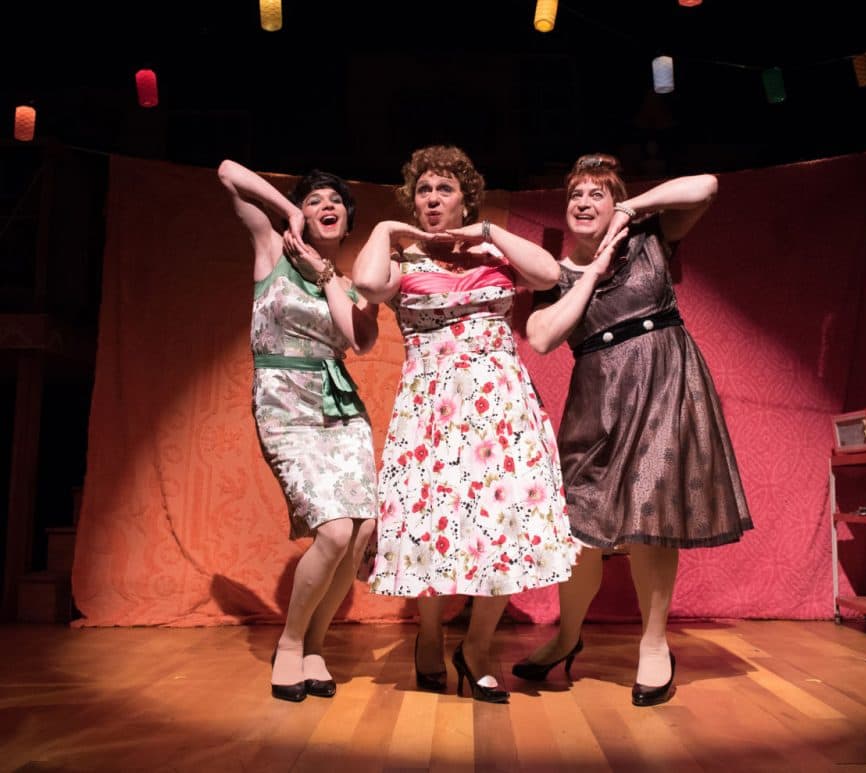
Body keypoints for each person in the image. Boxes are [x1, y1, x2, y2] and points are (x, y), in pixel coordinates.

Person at [515, 153, 753, 707]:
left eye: (596, 194)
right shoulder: (554, 273)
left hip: (663, 384)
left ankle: (654, 643)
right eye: (575, 195)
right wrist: (588, 274)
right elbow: (542, 338)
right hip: (597, 400)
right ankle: (567, 637)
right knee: (578, 529)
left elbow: (707, 183)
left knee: (650, 516)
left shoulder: (649, 239)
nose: (583, 202)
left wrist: (632, 208)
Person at [353, 145, 579, 703]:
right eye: (423, 190)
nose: (433, 199)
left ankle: (476, 648)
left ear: (465, 199)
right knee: (431, 522)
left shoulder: (492, 252)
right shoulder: (402, 262)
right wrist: (385, 227)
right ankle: (430, 634)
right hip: (431, 409)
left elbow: (549, 273)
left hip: (500, 405)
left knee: (506, 524)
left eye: (444, 189)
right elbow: (367, 286)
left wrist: (489, 232)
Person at [218, 160, 379, 702]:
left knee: (359, 532)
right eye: (315, 200)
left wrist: (329, 277)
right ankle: (289, 643)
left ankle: (315, 645)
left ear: (347, 220)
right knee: (331, 531)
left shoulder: (350, 285)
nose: (326, 206)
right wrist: (288, 210)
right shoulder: (272, 250)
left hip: (342, 410)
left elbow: (361, 342)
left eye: (335, 201)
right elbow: (227, 172)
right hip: (284, 403)